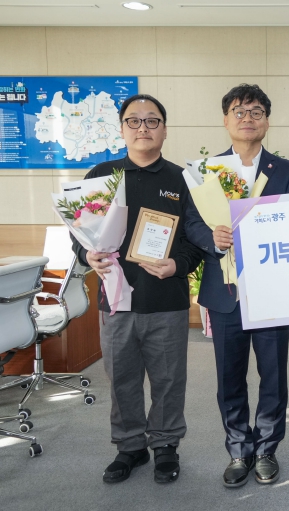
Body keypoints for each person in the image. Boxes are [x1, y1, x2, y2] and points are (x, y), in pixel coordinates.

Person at [72, 94, 203, 484]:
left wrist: (178, 264)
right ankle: (130, 447)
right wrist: (86, 255)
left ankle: (165, 446)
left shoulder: (183, 179)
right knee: (121, 378)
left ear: (164, 129)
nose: (143, 127)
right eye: (134, 120)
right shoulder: (101, 175)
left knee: (168, 378)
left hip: (166, 299)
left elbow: (196, 238)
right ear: (121, 128)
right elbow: (78, 233)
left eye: (152, 120)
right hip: (115, 301)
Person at [184, 84, 289, 488]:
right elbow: (191, 221)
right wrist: (211, 238)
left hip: (271, 290)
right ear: (226, 120)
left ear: (267, 121)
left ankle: (267, 449)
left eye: (256, 112)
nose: (247, 118)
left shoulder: (286, 170)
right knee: (229, 377)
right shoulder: (205, 171)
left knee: (273, 375)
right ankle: (239, 449)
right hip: (225, 291)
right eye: (239, 111)